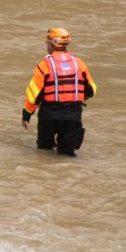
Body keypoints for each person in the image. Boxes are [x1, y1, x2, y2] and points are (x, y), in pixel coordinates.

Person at [22, 28, 97, 157]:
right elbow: (91, 90)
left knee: (44, 152)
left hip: (49, 116)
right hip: (72, 116)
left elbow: (34, 95)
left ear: (51, 44)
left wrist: (26, 115)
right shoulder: (79, 64)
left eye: (47, 43)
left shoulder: (44, 65)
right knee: (67, 155)